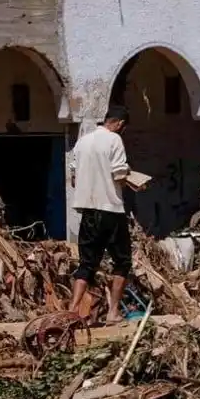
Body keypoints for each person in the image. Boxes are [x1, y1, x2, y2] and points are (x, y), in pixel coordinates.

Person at [69, 105, 134, 323]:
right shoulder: (115, 140)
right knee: (122, 262)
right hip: (111, 210)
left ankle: (72, 310)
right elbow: (118, 175)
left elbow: (74, 178)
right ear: (120, 124)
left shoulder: (83, 141)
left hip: (88, 211)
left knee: (86, 264)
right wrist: (131, 182)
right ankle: (113, 312)